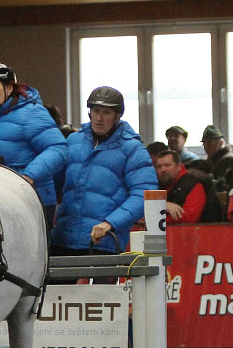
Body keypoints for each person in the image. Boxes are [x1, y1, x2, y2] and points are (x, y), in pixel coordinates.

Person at [27, 86, 156, 255]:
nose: (99, 118)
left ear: (117, 116)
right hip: (62, 239)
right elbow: (53, 183)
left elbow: (144, 193)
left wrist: (110, 223)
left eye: (106, 112)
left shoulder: (133, 149)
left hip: (103, 241)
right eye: (95, 111)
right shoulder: (73, 140)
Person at [0, 62, 67, 229]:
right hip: (2, 198)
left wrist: (28, 176)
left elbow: (58, 148)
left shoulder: (32, 112)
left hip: (33, 199)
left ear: (9, 88)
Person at [154, 150, 220, 223]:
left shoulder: (193, 185)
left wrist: (154, 219)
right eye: (159, 166)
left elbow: (189, 218)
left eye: (167, 165)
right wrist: (162, 205)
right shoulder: (156, 185)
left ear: (179, 166)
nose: (163, 170)